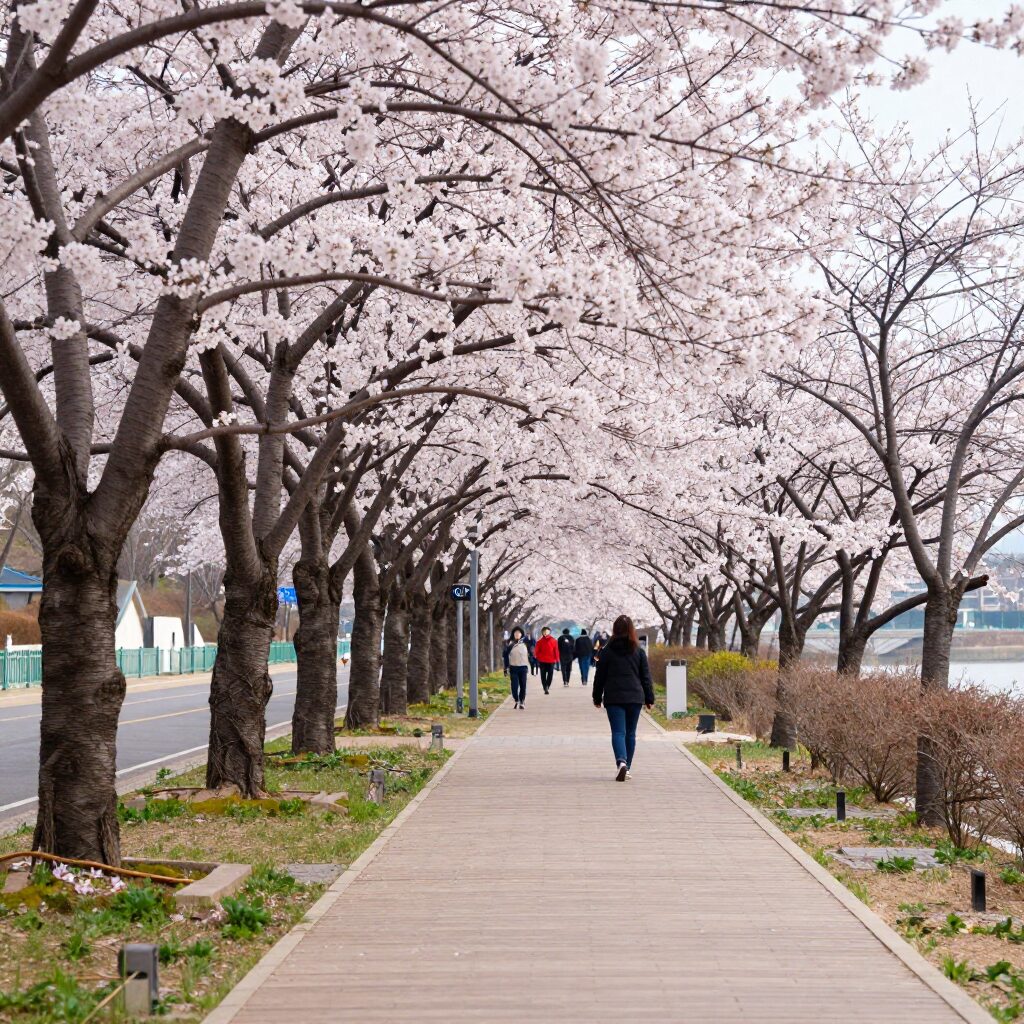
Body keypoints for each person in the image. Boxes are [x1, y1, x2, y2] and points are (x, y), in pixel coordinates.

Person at [592, 614, 655, 781]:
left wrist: (596, 697)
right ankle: (627, 768)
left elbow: (600, 677)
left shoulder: (606, 652)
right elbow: (646, 677)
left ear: (614, 630)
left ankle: (621, 762)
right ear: (631, 630)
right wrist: (650, 698)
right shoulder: (639, 652)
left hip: (614, 697)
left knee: (618, 732)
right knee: (631, 733)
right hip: (634, 697)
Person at [503, 627, 530, 709]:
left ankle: (522, 701)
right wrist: (506, 668)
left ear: (521, 634)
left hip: (523, 667)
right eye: (515, 633)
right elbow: (505, 656)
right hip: (513, 667)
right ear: (513, 634)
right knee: (514, 686)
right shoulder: (509, 643)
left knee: (523, 685)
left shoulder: (526, 643)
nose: (517, 634)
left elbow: (531, 653)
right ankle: (516, 699)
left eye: (519, 633)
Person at [534, 626, 559, 693]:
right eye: (544, 631)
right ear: (542, 632)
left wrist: (557, 659)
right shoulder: (539, 642)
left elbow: (556, 651)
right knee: (543, 674)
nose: (545, 632)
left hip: (551, 660)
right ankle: (545, 687)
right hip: (542, 660)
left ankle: (547, 685)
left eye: (547, 631)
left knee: (550, 673)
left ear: (549, 632)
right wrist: (538, 657)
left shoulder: (554, 641)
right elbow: (536, 651)